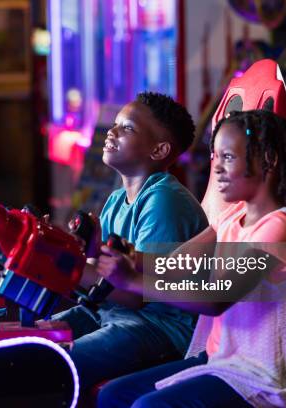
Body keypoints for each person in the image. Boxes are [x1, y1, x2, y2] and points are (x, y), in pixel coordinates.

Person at [97, 109, 286, 407]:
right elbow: (175, 264)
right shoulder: (232, 217)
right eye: (215, 157)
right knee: (114, 395)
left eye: (228, 157)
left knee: (149, 406)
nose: (217, 169)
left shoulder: (280, 228)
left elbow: (216, 299)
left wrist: (134, 281)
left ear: (269, 161)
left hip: (262, 377)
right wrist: (121, 256)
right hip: (221, 360)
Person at [51, 92, 208, 391]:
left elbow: (135, 293)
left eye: (128, 128)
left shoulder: (163, 200)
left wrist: (64, 265)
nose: (111, 132)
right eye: (115, 124)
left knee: (59, 364)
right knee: (34, 343)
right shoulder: (116, 200)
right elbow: (104, 272)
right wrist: (78, 252)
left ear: (160, 150)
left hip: (159, 327)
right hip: (114, 313)